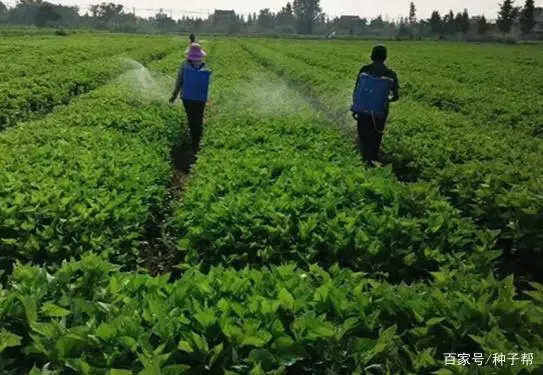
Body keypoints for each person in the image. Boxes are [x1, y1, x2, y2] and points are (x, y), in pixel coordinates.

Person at [351, 45, 399, 167]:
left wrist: (356, 107)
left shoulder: (365, 70)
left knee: (363, 136)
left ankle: (365, 160)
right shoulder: (390, 74)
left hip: (363, 110)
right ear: (385, 57)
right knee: (376, 136)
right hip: (379, 112)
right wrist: (385, 99)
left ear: (372, 55)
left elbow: (357, 90)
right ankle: (373, 159)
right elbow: (395, 96)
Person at [169, 43, 209, 151]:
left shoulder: (184, 65)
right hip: (200, 97)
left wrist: (174, 95)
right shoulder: (204, 65)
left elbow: (179, 81)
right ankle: (197, 141)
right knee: (199, 118)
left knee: (191, 118)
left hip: (187, 97)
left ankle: (193, 141)